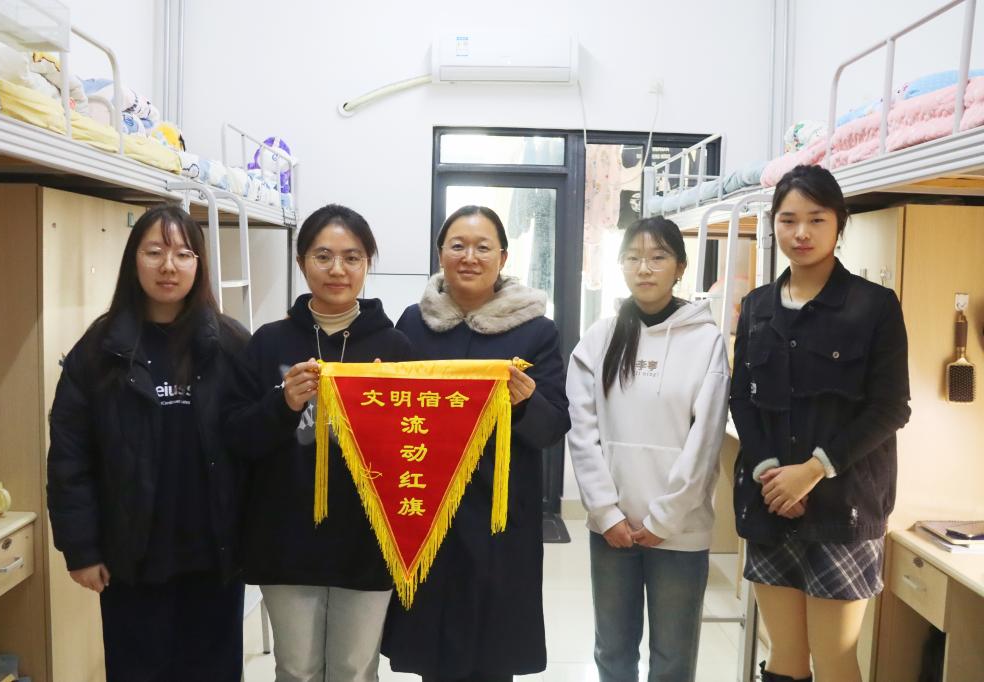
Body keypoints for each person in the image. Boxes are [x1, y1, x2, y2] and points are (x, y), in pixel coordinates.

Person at [47, 205, 249, 682]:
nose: (168, 266)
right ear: (133, 260)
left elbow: (256, 441)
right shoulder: (99, 349)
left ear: (199, 264)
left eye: (183, 254)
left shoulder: (231, 344)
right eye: (154, 252)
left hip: (215, 557)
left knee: (214, 673)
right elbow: (70, 457)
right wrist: (81, 549)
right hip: (132, 558)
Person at [730, 165, 911, 682]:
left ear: (839, 223)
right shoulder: (758, 307)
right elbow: (742, 398)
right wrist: (771, 474)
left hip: (844, 509)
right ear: (774, 225)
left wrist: (811, 472)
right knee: (784, 659)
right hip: (770, 504)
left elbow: (890, 407)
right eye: (788, 220)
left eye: (816, 219)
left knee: (834, 661)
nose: (801, 232)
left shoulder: (874, 306)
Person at [381, 205, 571, 681]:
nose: (469, 257)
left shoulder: (536, 330)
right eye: (458, 246)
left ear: (502, 258)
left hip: (499, 517)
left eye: (483, 247)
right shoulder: (413, 323)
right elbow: (388, 412)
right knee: (432, 651)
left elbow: (553, 427)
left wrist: (524, 401)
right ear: (440, 254)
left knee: (492, 654)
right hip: (427, 510)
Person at [224, 204, 411, 682]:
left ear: (368, 263)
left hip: (369, 539)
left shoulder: (396, 349)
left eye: (352, 257)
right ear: (301, 261)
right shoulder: (268, 343)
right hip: (285, 538)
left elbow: (417, 449)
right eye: (323, 256)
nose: (337, 269)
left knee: (355, 669)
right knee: (297, 669)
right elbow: (237, 437)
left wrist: (382, 412)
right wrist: (282, 403)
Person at [567, 216, 729, 682]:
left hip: (680, 529)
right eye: (633, 257)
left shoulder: (705, 341)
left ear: (680, 267)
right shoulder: (599, 338)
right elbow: (582, 432)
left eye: (658, 257)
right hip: (612, 529)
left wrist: (665, 519)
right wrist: (605, 512)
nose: (644, 268)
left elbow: (705, 441)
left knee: (673, 659)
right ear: (620, 266)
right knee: (613, 651)